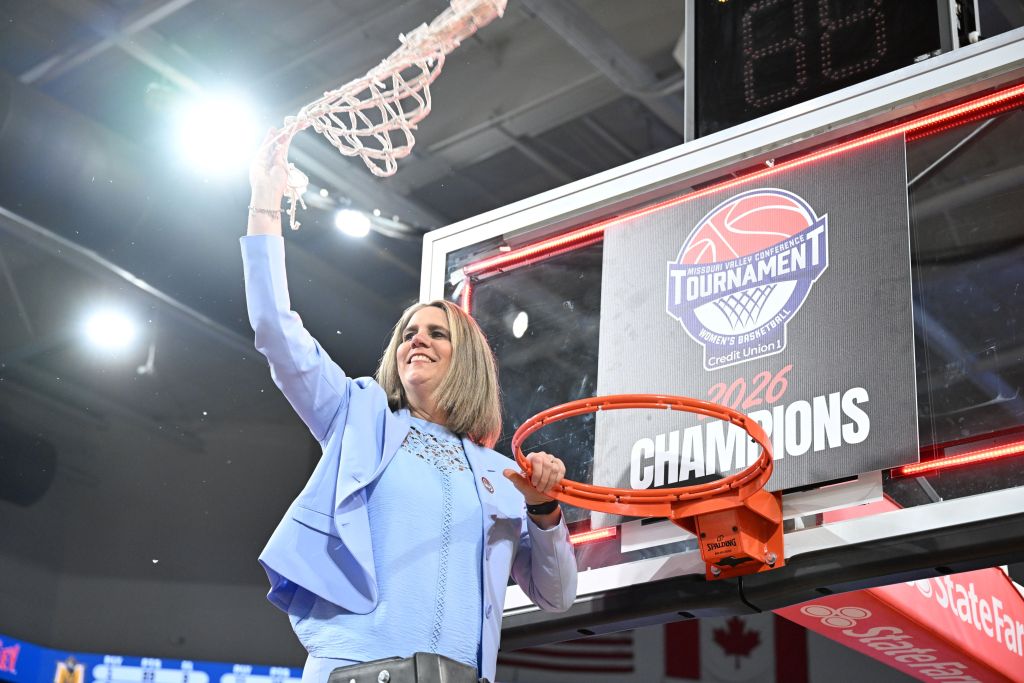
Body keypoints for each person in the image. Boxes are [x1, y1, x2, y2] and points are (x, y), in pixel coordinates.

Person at [242, 128, 578, 683]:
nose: (415, 340)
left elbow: (558, 594)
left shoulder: (505, 475)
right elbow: (276, 330)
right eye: (407, 333)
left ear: (466, 358)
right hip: (356, 669)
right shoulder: (359, 417)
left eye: (435, 334)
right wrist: (264, 204)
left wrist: (544, 510)